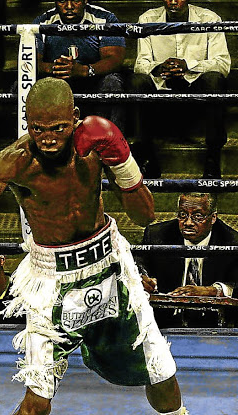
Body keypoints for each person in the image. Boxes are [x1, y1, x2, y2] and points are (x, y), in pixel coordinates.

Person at [0, 77, 187, 415]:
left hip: (110, 264)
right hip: (50, 278)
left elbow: (145, 215)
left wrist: (123, 163)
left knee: (160, 371)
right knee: (37, 400)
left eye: (58, 127)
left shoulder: (96, 147)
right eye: (38, 129)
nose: (48, 138)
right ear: (26, 121)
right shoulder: (15, 162)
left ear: (76, 118)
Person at [131, 0, 231, 179]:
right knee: (138, 81)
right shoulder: (147, 19)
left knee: (215, 79)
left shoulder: (209, 19)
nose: (173, 1)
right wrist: (160, 67)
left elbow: (223, 64)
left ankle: (212, 157)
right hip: (161, 94)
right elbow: (140, 64)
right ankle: (147, 156)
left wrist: (188, 66)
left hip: (196, 96)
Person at [137, 192, 238, 328]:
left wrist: (214, 290)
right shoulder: (157, 235)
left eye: (197, 216)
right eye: (183, 215)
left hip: (215, 324)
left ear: (213, 217)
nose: (188, 223)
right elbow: (139, 263)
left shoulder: (231, 242)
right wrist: (143, 278)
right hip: (164, 321)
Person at [32, 0, 126, 133]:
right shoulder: (43, 22)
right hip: (55, 86)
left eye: (75, 1)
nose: (69, 7)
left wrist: (84, 70)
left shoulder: (105, 18)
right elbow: (31, 60)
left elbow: (115, 59)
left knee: (112, 83)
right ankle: (25, 143)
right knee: (21, 84)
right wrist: (55, 68)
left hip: (93, 82)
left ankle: (108, 144)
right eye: (63, 1)